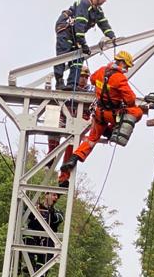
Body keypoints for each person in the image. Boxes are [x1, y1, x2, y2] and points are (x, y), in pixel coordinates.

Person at [58, 51, 147, 183]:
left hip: (99, 113)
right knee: (137, 112)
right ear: (121, 62)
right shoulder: (119, 78)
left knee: (91, 139)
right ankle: (112, 133)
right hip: (112, 114)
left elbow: (93, 79)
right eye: (127, 66)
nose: (127, 69)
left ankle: (73, 158)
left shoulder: (101, 71)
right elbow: (131, 99)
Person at [54, 0, 116, 91]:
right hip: (65, 29)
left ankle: (72, 84)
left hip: (75, 33)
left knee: (79, 57)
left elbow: (104, 24)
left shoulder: (98, 11)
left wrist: (112, 37)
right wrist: (83, 44)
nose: (105, 0)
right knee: (63, 54)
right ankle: (59, 82)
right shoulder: (84, 3)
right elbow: (79, 25)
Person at [23, 192, 63, 277]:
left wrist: (50, 212)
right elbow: (25, 215)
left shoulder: (57, 213)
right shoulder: (35, 208)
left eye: (57, 196)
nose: (55, 198)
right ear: (46, 195)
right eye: (54, 195)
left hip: (47, 246)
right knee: (26, 237)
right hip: (34, 241)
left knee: (40, 275)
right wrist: (33, 209)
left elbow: (57, 219)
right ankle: (29, 263)